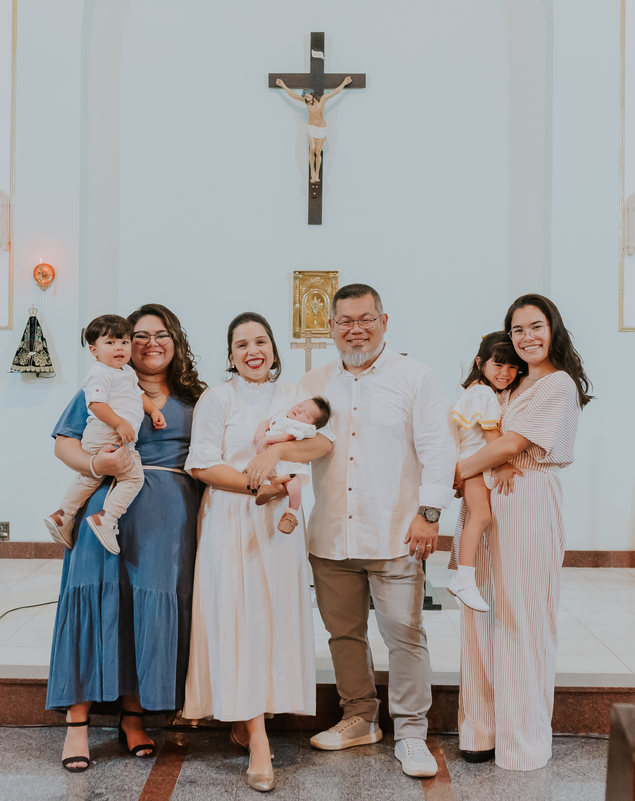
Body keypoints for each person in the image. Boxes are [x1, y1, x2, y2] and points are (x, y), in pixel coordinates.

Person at [298, 283, 456, 780]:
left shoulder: (416, 377)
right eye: (344, 321)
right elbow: (296, 441)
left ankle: (411, 732)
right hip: (331, 533)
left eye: (365, 318)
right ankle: (359, 718)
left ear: (384, 322)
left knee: (404, 635)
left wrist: (429, 514)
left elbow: (438, 449)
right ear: (331, 328)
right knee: (343, 634)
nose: (355, 329)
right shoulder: (315, 381)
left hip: (395, 534)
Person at [46, 304, 207, 773]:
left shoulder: (195, 398)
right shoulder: (107, 383)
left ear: (175, 341)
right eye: (140, 335)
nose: (151, 343)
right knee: (96, 603)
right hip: (106, 509)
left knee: (146, 613)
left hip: (167, 521)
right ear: (124, 343)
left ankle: (133, 717)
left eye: (162, 334)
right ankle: (77, 721)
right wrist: (97, 466)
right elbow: (64, 442)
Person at [183, 312, 333, 793]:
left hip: (278, 527)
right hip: (231, 518)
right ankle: (260, 741)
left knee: (271, 620)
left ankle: (249, 714)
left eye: (261, 341)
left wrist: (273, 456)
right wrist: (257, 488)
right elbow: (201, 464)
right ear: (230, 354)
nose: (253, 350)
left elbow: (323, 442)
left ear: (272, 348)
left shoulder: (291, 394)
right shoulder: (217, 397)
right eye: (242, 343)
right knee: (239, 621)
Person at [453, 293, 592, 772]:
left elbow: (513, 444)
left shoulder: (557, 385)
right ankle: (480, 729)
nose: (527, 337)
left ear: (553, 328)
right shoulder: (507, 383)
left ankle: (522, 740)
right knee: (480, 613)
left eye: (536, 327)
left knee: (522, 616)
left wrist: (456, 471)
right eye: (517, 330)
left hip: (527, 496)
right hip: (489, 497)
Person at [43, 314, 167, 553]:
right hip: (108, 431)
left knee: (89, 479)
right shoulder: (100, 373)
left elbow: (137, 395)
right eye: (109, 343)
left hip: (111, 431)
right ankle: (107, 517)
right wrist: (120, 424)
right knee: (132, 477)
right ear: (94, 350)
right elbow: (96, 405)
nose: (118, 347)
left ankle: (63, 515)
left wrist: (153, 411)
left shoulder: (125, 372)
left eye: (124, 342)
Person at [446, 332, 523, 612]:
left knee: (480, 516)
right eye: (498, 365)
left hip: (472, 462)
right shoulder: (483, 393)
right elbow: (493, 434)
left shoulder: (478, 390)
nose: (505, 373)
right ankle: (464, 578)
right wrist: (503, 463)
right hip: (475, 464)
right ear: (480, 362)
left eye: (513, 367)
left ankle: (465, 576)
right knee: (481, 516)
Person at [252, 396, 332, 533]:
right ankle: (268, 490)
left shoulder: (301, 427)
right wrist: (261, 429)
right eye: (300, 406)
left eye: (305, 414)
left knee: (294, 484)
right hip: (267, 461)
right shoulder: (282, 415)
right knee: (260, 475)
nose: (299, 411)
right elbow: (269, 422)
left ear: (312, 425)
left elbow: (287, 437)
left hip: (285, 463)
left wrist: (266, 439)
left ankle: (291, 514)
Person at [275, 75, 352, 182]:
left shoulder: (323, 100)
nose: (306, 99)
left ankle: (317, 173)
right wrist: (283, 85)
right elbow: (292, 95)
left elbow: (335, 92)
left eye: (307, 96)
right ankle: (312, 173)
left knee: (317, 151)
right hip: (311, 128)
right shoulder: (307, 104)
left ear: (311, 94)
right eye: (305, 98)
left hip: (321, 129)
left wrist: (344, 83)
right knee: (311, 150)